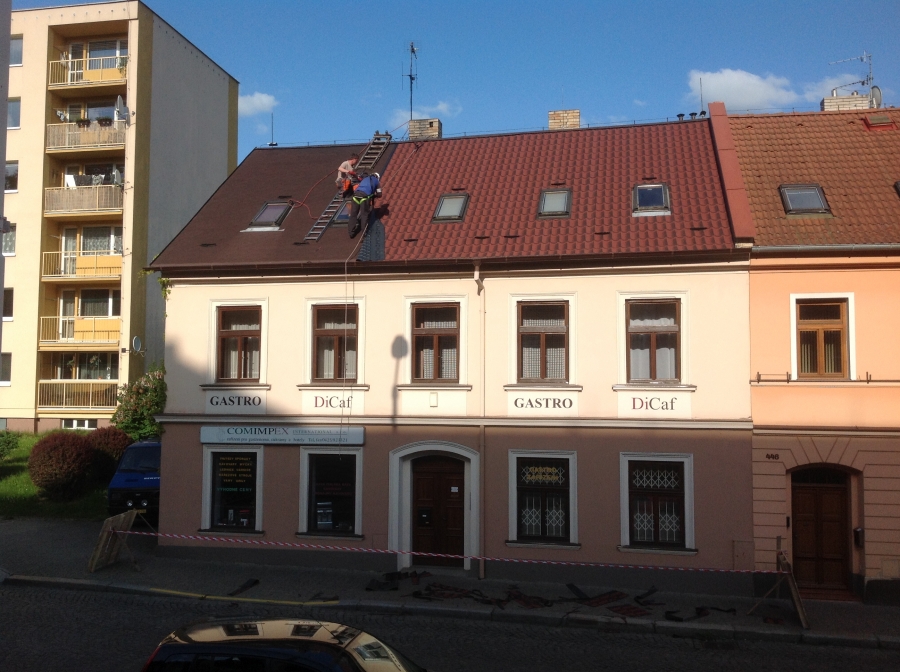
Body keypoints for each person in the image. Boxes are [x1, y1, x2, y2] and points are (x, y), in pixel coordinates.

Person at [349, 172, 380, 238]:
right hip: (364, 197)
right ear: (377, 177)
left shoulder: (365, 179)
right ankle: (364, 233)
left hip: (355, 196)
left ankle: (351, 233)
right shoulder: (377, 181)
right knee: (364, 215)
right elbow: (380, 194)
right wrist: (375, 195)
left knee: (353, 214)